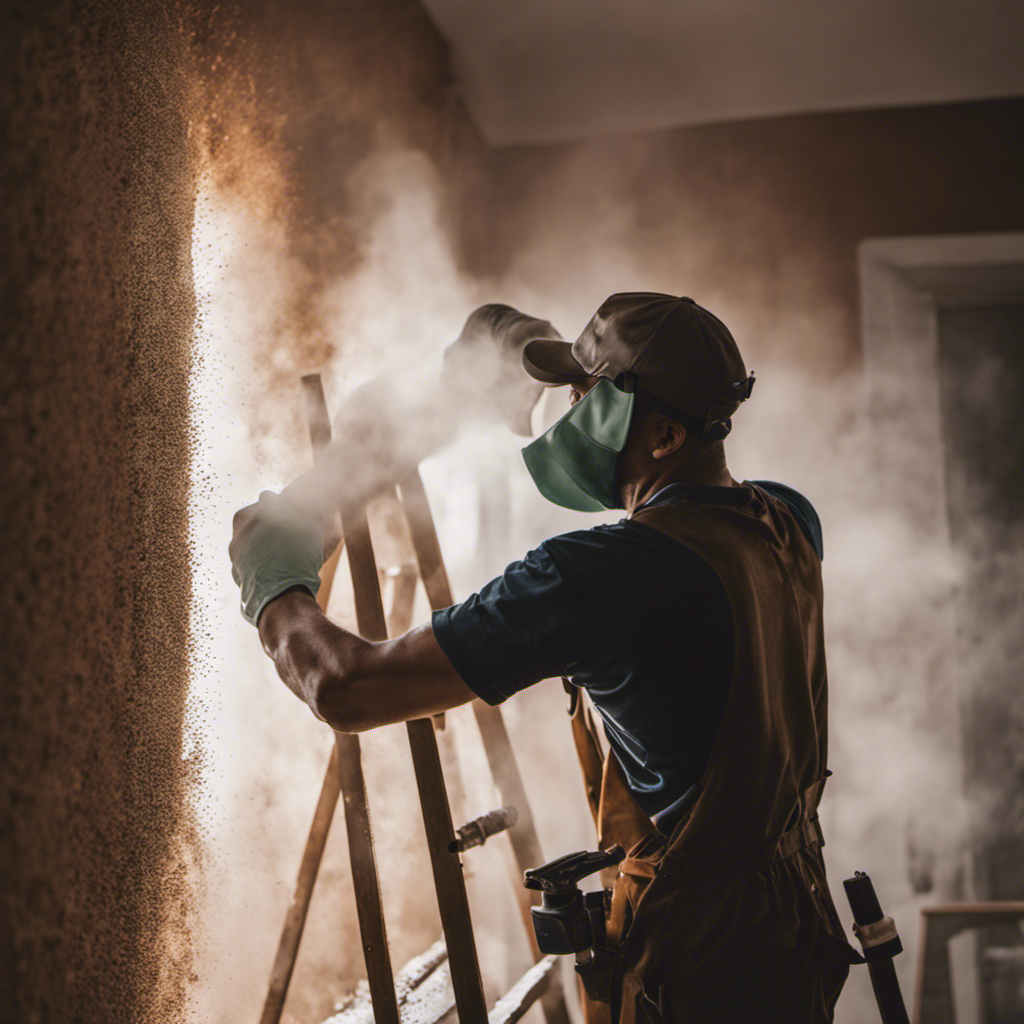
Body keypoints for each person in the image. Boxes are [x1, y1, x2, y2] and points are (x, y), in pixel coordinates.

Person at [230, 292, 858, 1024]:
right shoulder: (787, 520)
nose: (570, 411)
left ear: (661, 436)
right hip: (790, 942)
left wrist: (276, 587)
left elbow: (349, 688)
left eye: (588, 396)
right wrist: (531, 357)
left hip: (695, 971)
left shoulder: (597, 577)